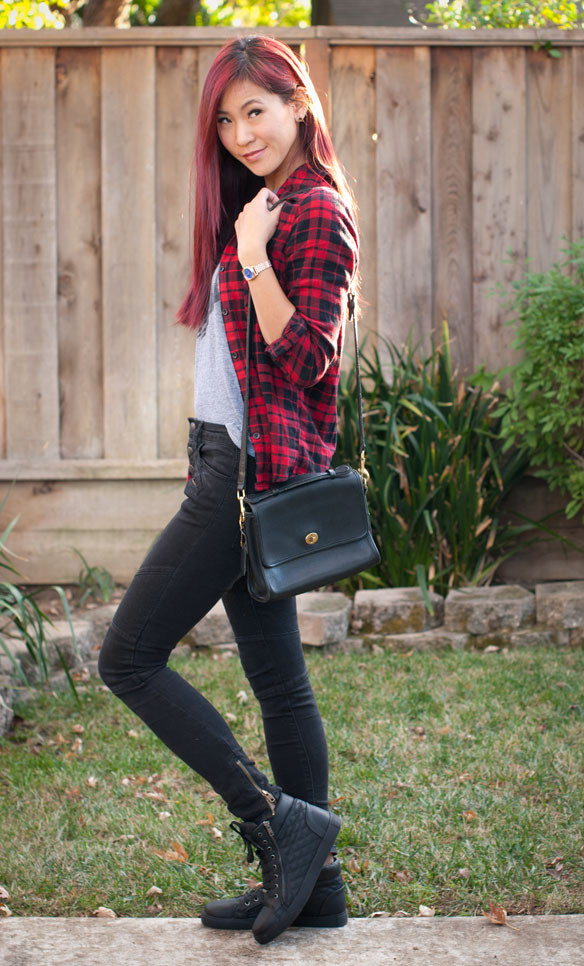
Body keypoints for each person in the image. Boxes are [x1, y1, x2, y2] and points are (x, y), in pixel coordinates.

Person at [98, 34, 359, 947]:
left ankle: (272, 821)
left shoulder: (313, 211)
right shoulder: (261, 207)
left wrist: (252, 255)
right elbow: (232, 366)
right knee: (279, 684)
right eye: (226, 117)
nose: (242, 132)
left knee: (125, 659)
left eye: (257, 110)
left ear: (297, 105)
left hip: (247, 480)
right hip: (225, 462)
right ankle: (314, 887)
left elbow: (306, 354)